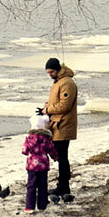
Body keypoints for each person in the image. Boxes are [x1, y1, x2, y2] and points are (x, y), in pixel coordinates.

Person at [40, 57, 77, 202]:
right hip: (57, 124)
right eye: (48, 73)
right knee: (60, 157)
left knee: (62, 157)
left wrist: (48, 110)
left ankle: (64, 187)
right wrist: (46, 106)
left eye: (51, 72)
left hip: (63, 125)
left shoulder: (67, 83)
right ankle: (62, 185)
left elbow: (64, 106)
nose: (50, 75)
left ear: (57, 70)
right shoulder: (58, 82)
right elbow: (57, 101)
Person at [22, 113, 58, 213]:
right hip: (43, 166)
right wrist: (55, 157)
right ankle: (42, 205)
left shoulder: (29, 139)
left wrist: (29, 152)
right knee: (43, 186)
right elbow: (52, 150)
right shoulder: (46, 140)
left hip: (31, 166)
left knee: (31, 186)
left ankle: (30, 207)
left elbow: (24, 151)